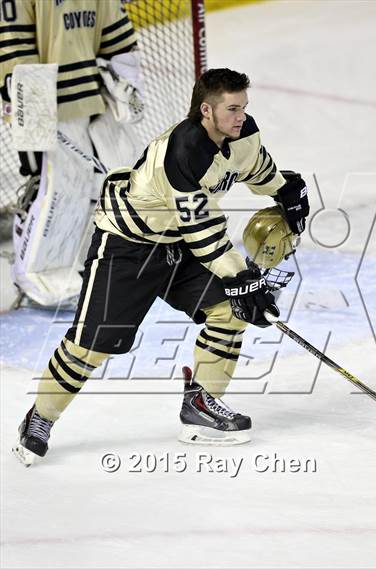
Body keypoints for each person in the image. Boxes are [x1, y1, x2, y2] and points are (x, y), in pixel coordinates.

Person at [13, 68, 310, 464]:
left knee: (228, 311)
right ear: (207, 110)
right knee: (91, 345)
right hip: (129, 246)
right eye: (232, 108)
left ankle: (202, 405)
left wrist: (285, 189)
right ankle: (40, 417)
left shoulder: (242, 132)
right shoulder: (183, 152)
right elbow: (205, 234)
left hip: (179, 244)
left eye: (244, 107)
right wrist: (242, 277)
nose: (241, 116)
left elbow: (254, 167)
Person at [0, 0, 144, 308]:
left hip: (94, 91)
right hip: (49, 98)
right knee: (62, 187)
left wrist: (126, 82)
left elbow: (115, 30)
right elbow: (14, 41)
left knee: (108, 177)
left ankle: (86, 261)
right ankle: (39, 274)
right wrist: (31, 118)